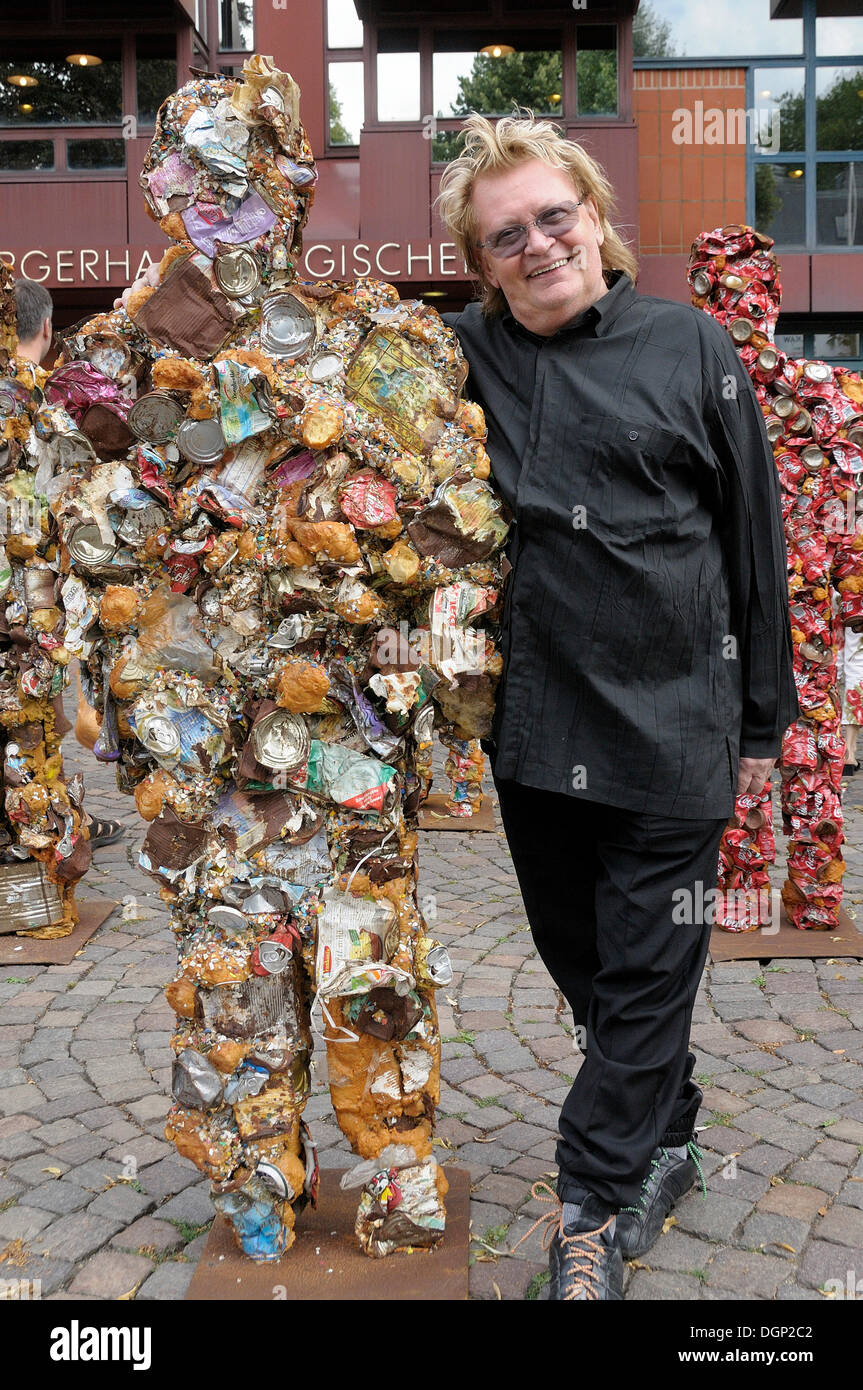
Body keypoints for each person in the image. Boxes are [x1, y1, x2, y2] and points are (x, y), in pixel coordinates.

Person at [437, 115, 798, 1301]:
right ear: (476, 261)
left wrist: (761, 727)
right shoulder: (453, 362)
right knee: (587, 964)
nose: (537, 244)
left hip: (675, 730)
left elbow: (755, 542)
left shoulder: (691, 348)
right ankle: (672, 1131)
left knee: (646, 972)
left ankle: (589, 1208)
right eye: (504, 236)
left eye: (553, 215)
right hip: (538, 737)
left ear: (593, 213)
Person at [13, 277, 125, 850]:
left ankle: (49, 822)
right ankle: (44, 828)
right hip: (35, 597)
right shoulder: (53, 406)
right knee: (33, 713)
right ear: (47, 328)